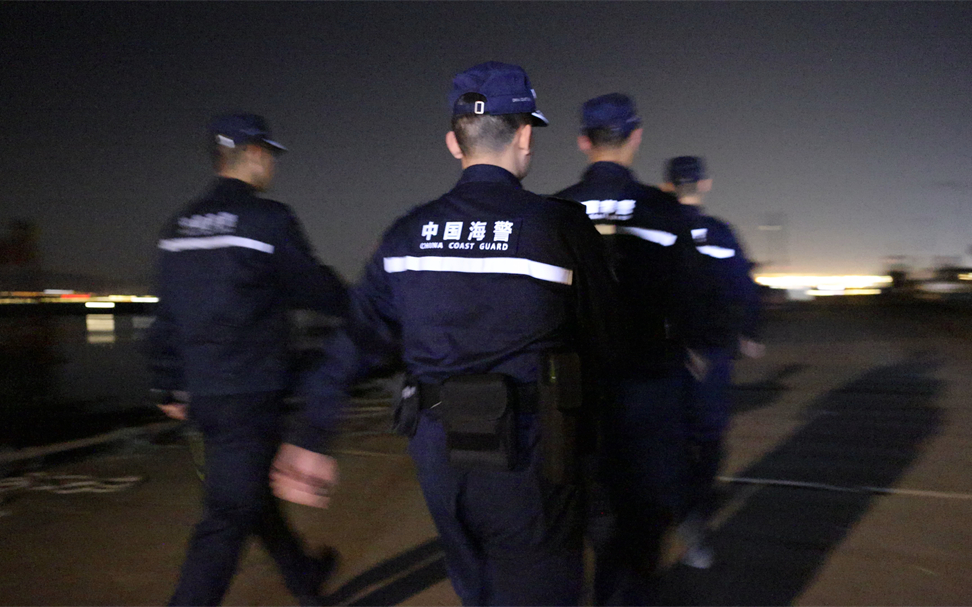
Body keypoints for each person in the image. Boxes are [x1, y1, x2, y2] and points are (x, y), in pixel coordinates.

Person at [270, 61, 621, 606]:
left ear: (454, 143)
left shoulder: (406, 235)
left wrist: (311, 434)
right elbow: (607, 338)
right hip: (530, 452)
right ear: (525, 136)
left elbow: (357, 339)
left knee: (475, 584)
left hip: (440, 455)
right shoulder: (560, 227)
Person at [146, 113, 350, 606]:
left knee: (248, 491)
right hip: (250, 391)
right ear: (255, 154)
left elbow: (167, 313)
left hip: (202, 392)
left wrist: (166, 382)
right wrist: (366, 307)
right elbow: (314, 287)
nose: (272, 166)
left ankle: (303, 576)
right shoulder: (267, 219)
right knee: (227, 516)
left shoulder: (179, 225)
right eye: (270, 156)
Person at [555, 93, 727, 603]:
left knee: (589, 499)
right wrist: (696, 347)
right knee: (644, 505)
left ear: (583, 141)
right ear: (636, 137)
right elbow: (694, 291)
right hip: (650, 379)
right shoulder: (663, 210)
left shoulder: (555, 211)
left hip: (577, 385)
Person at [660, 155, 763, 568]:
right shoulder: (720, 233)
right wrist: (750, 333)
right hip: (712, 353)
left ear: (667, 186)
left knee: (666, 438)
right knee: (708, 440)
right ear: (704, 184)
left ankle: (672, 513)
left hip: (663, 353)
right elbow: (745, 289)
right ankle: (694, 527)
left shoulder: (654, 229)